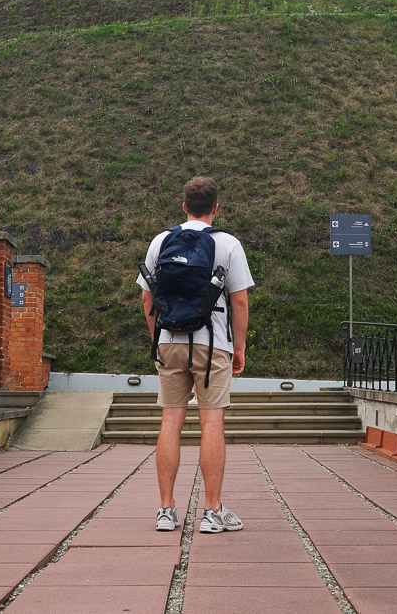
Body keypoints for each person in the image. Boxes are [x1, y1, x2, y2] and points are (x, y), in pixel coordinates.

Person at [137, 176, 254, 533]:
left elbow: (147, 299)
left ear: (184, 206)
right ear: (216, 208)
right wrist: (239, 347)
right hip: (213, 341)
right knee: (211, 423)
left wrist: (158, 339)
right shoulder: (228, 244)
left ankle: (165, 510)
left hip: (170, 340)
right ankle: (212, 511)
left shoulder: (161, 241)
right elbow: (240, 300)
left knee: (170, 422)